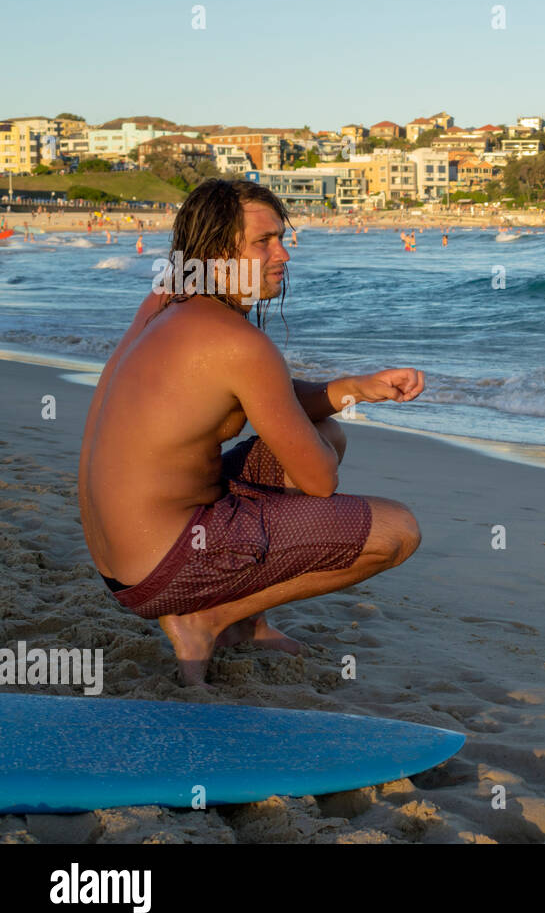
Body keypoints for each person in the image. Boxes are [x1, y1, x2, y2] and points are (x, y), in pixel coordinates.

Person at [78, 179, 424, 686]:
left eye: (281, 238)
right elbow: (319, 482)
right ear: (219, 251)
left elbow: (259, 398)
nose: (282, 254)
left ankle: (245, 622)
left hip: (121, 559)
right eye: (263, 242)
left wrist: (355, 388)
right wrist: (314, 442)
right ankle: (205, 619)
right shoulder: (238, 342)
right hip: (161, 569)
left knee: (329, 429)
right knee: (398, 531)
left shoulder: (166, 298)